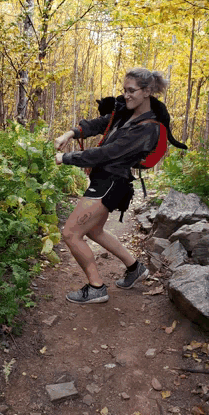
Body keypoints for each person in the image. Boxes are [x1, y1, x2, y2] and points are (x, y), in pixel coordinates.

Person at [54, 67, 169, 305]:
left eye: (132, 91)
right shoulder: (128, 114)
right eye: (124, 90)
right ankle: (135, 268)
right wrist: (71, 133)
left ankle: (96, 287)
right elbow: (100, 123)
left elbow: (107, 153)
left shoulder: (146, 128)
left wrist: (66, 158)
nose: (126, 96)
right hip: (105, 181)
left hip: (111, 183)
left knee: (71, 233)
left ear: (147, 91)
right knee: (94, 231)